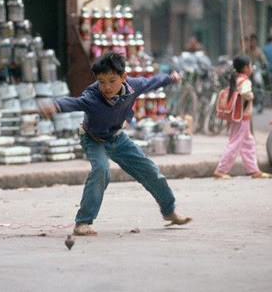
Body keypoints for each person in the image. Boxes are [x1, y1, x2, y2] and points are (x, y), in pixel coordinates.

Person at [40, 51, 191, 236]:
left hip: (117, 137)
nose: (107, 87)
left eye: (112, 81)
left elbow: (152, 82)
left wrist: (171, 78)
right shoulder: (92, 96)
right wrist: (55, 107)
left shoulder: (134, 86)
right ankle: (83, 222)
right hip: (92, 138)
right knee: (101, 170)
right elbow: (74, 102)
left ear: (123, 77)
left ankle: (169, 211)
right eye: (101, 82)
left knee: (150, 171)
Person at [213, 55, 272, 180]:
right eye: (250, 65)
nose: (251, 68)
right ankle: (221, 170)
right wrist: (251, 96)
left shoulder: (236, 78)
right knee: (235, 143)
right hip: (242, 117)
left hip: (238, 116)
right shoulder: (245, 81)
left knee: (248, 143)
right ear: (246, 68)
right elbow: (246, 93)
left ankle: (254, 170)